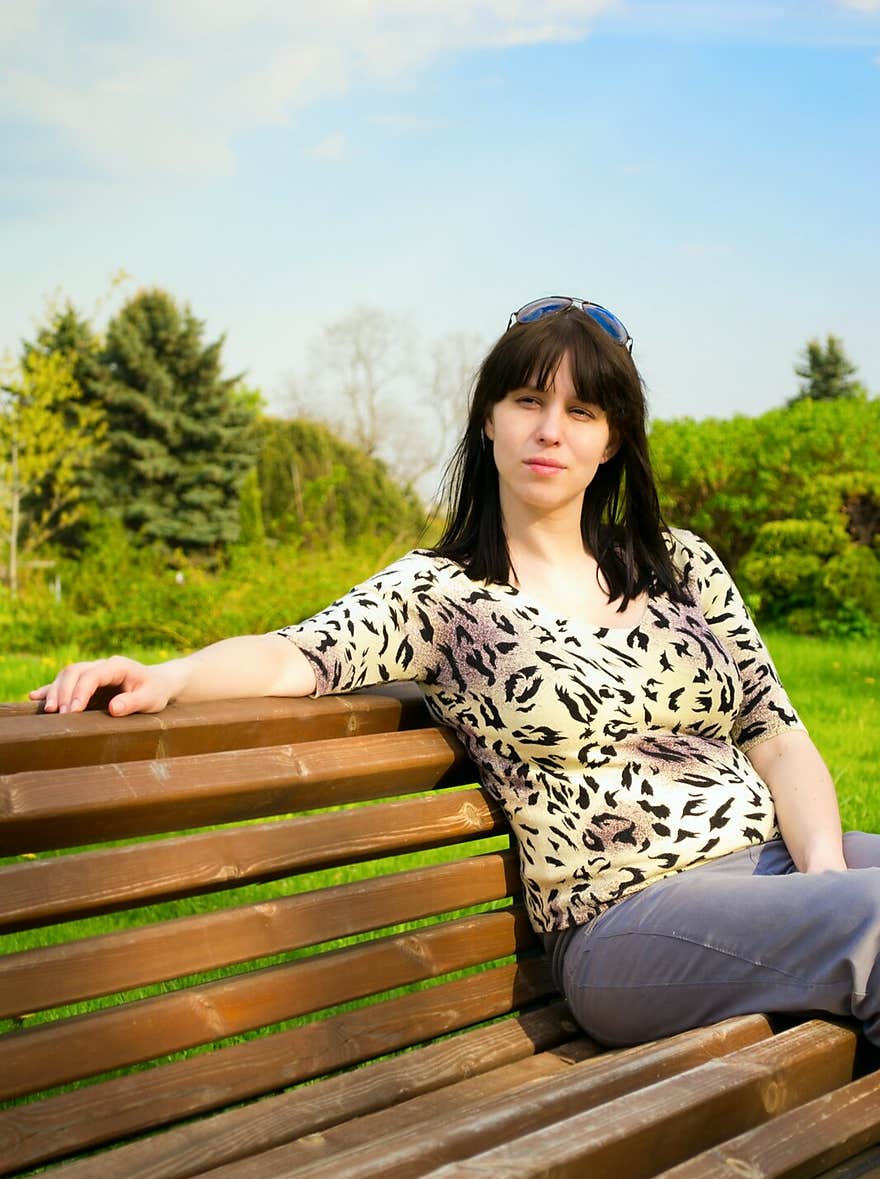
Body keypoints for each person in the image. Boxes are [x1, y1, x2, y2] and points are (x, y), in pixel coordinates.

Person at [31, 295, 880, 1053]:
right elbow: (297, 654)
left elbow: (777, 735)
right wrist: (170, 675)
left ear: (612, 437)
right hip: (628, 922)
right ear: (488, 421)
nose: (551, 430)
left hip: (771, 868)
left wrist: (823, 884)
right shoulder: (442, 596)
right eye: (528, 401)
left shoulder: (681, 565)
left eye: (582, 410)